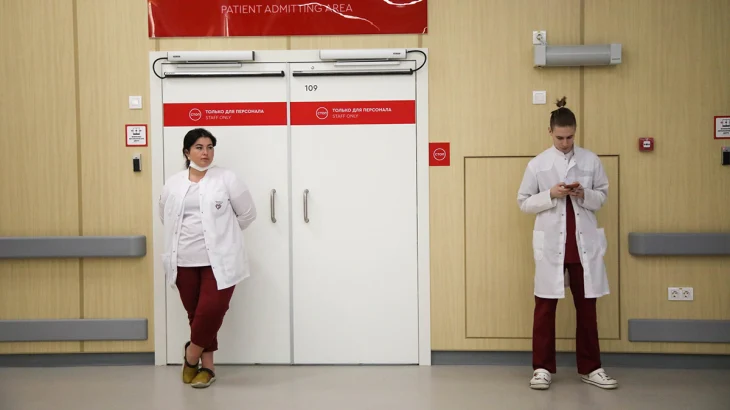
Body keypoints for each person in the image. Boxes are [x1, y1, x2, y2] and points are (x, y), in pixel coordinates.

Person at [517, 97, 617, 390]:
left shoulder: (590, 160)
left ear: (575, 132)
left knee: (587, 309)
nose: (565, 143)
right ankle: (541, 368)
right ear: (550, 132)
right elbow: (524, 202)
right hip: (551, 246)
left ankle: (591, 367)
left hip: (583, 245)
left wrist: (583, 193)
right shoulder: (538, 164)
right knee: (544, 308)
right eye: (560, 137)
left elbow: (602, 196)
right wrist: (551, 194)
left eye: (570, 137)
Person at [158, 128, 257, 388]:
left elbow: (247, 214)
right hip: (183, 261)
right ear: (187, 152)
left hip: (220, 261)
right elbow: (165, 216)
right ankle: (208, 368)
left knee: (212, 310)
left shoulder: (227, 179)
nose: (206, 153)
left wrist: (223, 235)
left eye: (210, 147)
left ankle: (191, 356)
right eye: (199, 147)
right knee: (196, 314)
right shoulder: (173, 183)